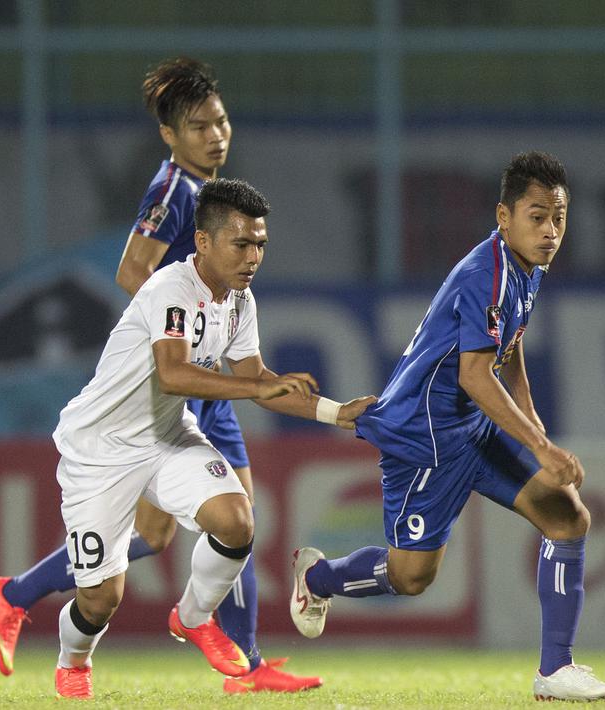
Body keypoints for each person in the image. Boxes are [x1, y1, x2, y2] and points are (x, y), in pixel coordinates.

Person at [0, 57, 322, 694]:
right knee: (227, 512)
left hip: (193, 375)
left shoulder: (216, 197)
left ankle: (19, 593)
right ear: (170, 135)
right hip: (178, 378)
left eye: (220, 120)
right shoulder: (174, 190)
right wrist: (189, 334)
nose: (215, 135)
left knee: (168, 531)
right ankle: (242, 663)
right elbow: (134, 273)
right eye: (197, 126)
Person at [287, 152, 605, 702]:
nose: (550, 231)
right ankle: (317, 579)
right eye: (537, 216)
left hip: (470, 425)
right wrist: (538, 445)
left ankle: (555, 670)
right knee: (412, 578)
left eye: (559, 218)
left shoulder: (527, 269)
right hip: (424, 438)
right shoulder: (485, 274)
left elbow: (505, 351)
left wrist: (532, 419)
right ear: (503, 216)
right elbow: (473, 374)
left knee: (566, 517)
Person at [32, 177, 375, 699]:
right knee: (100, 599)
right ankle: (72, 661)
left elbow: (262, 383)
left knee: (236, 521)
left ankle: (193, 618)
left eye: (260, 243)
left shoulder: (240, 301)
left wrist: (335, 412)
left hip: (167, 435)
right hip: (100, 450)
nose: (253, 255)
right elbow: (173, 374)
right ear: (204, 242)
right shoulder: (170, 288)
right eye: (242, 243)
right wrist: (257, 384)